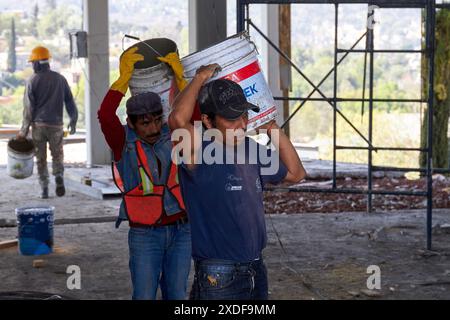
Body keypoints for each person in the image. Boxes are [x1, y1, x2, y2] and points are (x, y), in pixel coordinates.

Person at [169, 64, 307, 300]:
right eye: (231, 119)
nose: (242, 124)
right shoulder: (199, 149)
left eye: (243, 115)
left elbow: (296, 174)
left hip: (255, 267)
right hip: (218, 273)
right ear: (208, 122)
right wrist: (201, 77)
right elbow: (177, 119)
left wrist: (273, 129)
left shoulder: (250, 148)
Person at [97, 47, 191, 300]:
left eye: (157, 120)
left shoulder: (173, 134)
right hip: (145, 234)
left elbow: (193, 116)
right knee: (144, 295)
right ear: (131, 123)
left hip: (182, 229)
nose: (153, 127)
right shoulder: (122, 143)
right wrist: (123, 79)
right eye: (145, 123)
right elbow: (105, 116)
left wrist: (181, 81)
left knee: (177, 295)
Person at [17, 46, 78, 199]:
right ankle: (58, 176)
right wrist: (73, 120)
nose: (32, 65)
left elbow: (28, 109)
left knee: (41, 158)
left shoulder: (32, 80)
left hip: (39, 126)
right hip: (56, 125)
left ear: (37, 63)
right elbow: (69, 101)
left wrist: (23, 131)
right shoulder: (60, 79)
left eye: (33, 63)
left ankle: (44, 187)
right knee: (57, 155)